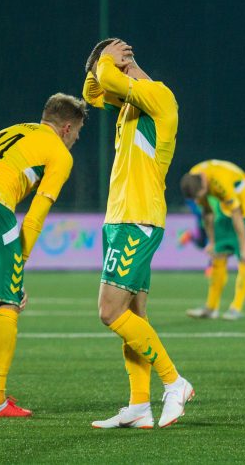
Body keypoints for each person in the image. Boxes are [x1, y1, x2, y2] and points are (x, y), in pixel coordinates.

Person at [82, 38, 194, 429]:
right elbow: (92, 91)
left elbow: (106, 80)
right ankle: (139, 406)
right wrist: (104, 61)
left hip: (138, 216)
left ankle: (174, 382)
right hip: (120, 218)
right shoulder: (129, 105)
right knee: (134, 315)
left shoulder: (159, 96)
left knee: (108, 311)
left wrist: (110, 62)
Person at [0, 93, 87, 417]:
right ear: (67, 128)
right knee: (8, 301)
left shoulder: (12, 130)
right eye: (77, 133)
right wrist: (20, 265)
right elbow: (35, 215)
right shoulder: (58, 152)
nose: (76, 140)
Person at [181, 160, 245, 320]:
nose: (199, 200)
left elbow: (237, 213)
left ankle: (236, 308)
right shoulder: (195, 177)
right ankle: (211, 308)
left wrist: (244, 245)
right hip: (225, 207)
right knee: (218, 253)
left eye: (200, 195)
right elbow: (207, 212)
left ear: (204, 182)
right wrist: (211, 241)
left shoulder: (220, 180)